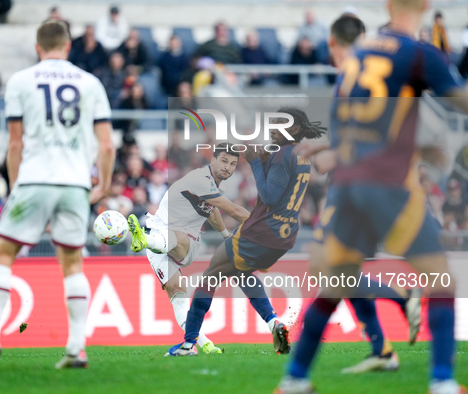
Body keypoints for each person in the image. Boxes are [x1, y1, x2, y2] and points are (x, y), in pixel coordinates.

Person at [277, 0, 468, 392]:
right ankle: (443, 381)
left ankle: (295, 378)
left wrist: (329, 151)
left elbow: (350, 123)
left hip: (348, 185)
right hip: (387, 184)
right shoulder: (419, 54)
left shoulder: (360, 55)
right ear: (426, 5)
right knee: (441, 281)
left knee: (332, 283)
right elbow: (458, 101)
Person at [0, 20, 115, 370]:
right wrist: (102, 183)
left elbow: (15, 142)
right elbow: (106, 144)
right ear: (69, 46)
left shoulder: (21, 80)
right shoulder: (91, 83)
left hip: (34, 179)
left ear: (37, 46)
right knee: (72, 263)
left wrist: (15, 186)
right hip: (75, 184)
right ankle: (76, 348)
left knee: (2, 254)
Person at [164, 110, 326, 357]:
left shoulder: (282, 154)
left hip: (261, 230)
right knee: (240, 271)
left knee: (210, 277)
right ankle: (274, 323)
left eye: (279, 124)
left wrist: (253, 162)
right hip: (286, 235)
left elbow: (270, 196)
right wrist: (261, 159)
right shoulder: (300, 155)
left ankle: (188, 345)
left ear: (294, 129)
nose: (272, 128)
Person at [127, 143, 251, 355]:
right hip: (162, 238)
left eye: (232, 164)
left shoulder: (209, 186)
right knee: (178, 295)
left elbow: (213, 211)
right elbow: (232, 210)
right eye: (224, 161)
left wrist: (225, 237)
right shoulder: (200, 180)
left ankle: (145, 239)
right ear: (212, 160)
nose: (228, 167)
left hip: (177, 240)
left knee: (175, 238)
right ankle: (203, 345)